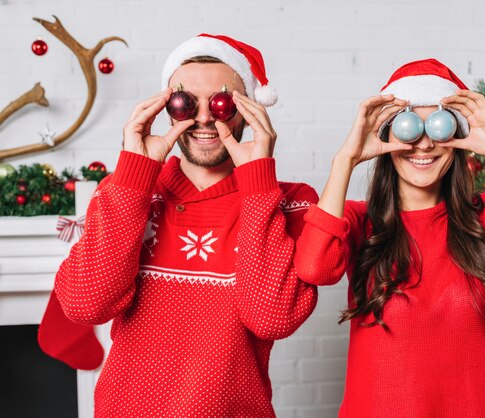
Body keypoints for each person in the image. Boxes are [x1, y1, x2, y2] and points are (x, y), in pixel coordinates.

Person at [294, 59, 485, 417]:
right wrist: (345, 160)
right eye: (409, 128)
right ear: (386, 134)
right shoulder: (358, 220)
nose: (423, 146)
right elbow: (314, 267)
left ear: (456, 138)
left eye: (437, 128)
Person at [46, 34, 318, 417]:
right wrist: (134, 174)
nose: (204, 118)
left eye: (223, 103)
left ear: (250, 109)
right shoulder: (127, 189)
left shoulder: (287, 202)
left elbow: (271, 317)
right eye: (185, 102)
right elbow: (85, 303)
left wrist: (257, 181)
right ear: (166, 108)